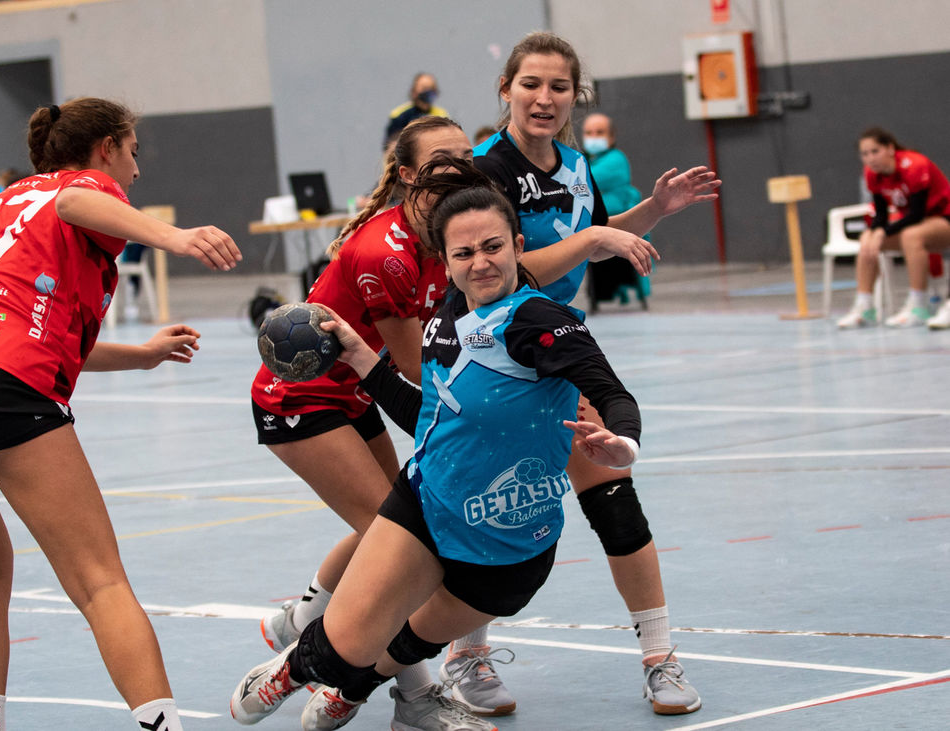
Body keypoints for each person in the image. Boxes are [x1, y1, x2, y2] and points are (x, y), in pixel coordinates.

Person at [0, 96, 240, 731]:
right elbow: (76, 201)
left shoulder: (8, 201)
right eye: (132, 153)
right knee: (100, 582)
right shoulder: (80, 190)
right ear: (106, 148)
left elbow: (35, 337)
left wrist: (145, 355)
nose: (136, 171)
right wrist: (175, 236)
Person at [231, 181, 643, 730]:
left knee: (405, 645)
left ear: (518, 245)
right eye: (464, 253)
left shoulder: (541, 322)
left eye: (493, 246)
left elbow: (612, 391)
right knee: (343, 647)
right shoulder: (444, 322)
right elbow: (428, 419)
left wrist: (623, 442)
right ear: (445, 263)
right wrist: (361, 359)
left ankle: (381, 699)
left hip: (515, 533)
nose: (480, 263)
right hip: (426, 506)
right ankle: (290, 669)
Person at [466, 31, 719, 716]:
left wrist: (654, 213)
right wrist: (594, 238)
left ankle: (661, 658)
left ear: (575, 95)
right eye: (531, 85)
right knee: (480, 513)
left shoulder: (576, 167)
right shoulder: (483, 171)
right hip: (490, 363)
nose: (545, 99)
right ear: (506, 91)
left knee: (614, 499)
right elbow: (498, 272)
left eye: (558, 87)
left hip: (558, 353)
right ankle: (466, 656)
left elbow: (598, 241)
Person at [252, 116, 498, 730]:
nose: (458, 168)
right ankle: (413, 698)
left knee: (388, 524)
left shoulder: (448, 238)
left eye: (466, 156)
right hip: (301, 398)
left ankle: (302, 618)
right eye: (442, 159)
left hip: (358, 393)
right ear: (410, 176)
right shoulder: (385, 252)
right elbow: (414, 369)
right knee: (400, 540)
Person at [836, 127, 950, 329]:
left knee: (910, 235)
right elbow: (880, 214)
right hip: (917, 224)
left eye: (875, 151)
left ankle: (918, 306)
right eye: (865, 154)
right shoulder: (872, 174)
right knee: (867, 239)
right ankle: (865, 307)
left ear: (890, 148)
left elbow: (917, 214)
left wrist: (883, 232)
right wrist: (874, 233)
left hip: (942, 219)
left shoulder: (914, 165)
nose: (870, 158)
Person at [581, 112, 650, 309]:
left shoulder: (615, 159)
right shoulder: (587, 159)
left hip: (620, 224)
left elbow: (584, 180)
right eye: (589, 132)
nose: (594, 137)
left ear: (611, 137)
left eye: (600, 132)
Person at [385, 73, 449, 147]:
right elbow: (391, 146)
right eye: (424, 88)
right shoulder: (400, 115)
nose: (428, 92)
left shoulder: (442, 115)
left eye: (432, 88)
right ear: (414, 92)